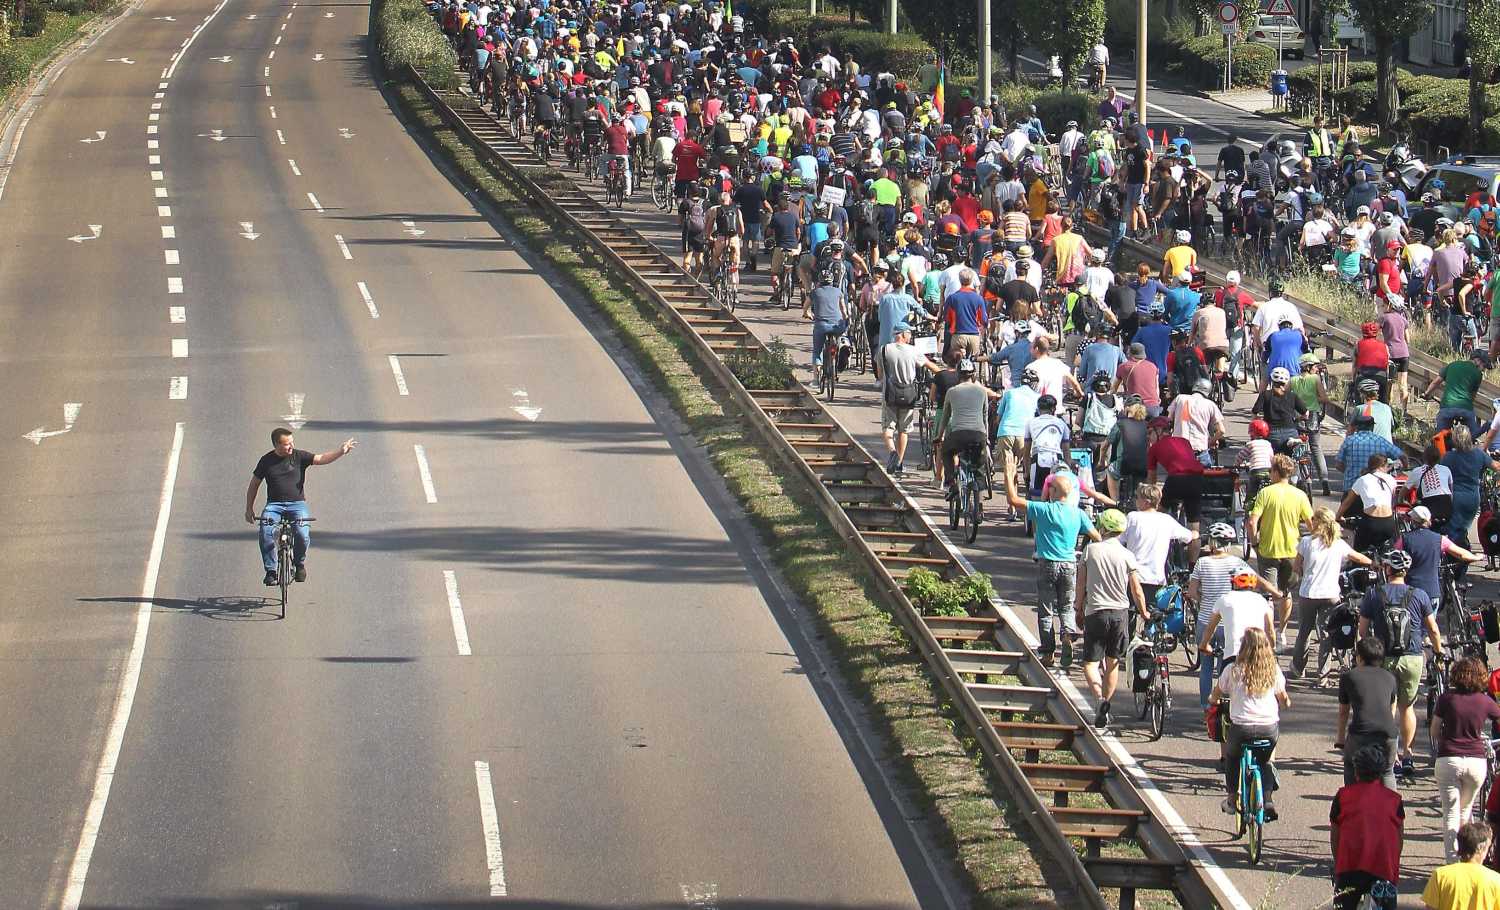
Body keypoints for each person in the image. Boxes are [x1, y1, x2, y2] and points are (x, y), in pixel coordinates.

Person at [1359, 548, 1444, 778]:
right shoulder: (1419, 594)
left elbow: (1363, 630)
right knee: (1407, 707)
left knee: (1388, 708)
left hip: (1383, 657)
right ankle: (1408, 754)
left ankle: (1391, 756)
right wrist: (1438, 652)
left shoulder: (1375, 594)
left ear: (1387, 569)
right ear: (1407, 571)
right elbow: (1433, 629)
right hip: (1412, 656)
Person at [1006, 472, 1101, 668]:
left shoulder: (1045, 510)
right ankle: (1067, 633)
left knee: (1046, 609)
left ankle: (1048, 653)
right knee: (1066, 606)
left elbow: (1014, 501)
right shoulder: (1078, 513)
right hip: (1069, 564)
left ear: (1055, 491)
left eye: (1050, 488)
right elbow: (1097, 537)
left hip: (1047, 563)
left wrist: (1008, 475)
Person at [245, 429, 357, 585]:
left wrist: (341, 451)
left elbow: (322, 458)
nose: (292, 446)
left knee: (302, 533)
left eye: (292, 442)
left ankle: (299, 564)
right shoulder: (266, 461)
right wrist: (249, 508)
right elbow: (254, 484)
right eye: (287, 444)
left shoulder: (299, 456)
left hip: (297, 505)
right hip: (274, 506)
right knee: (265, 531)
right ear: (277, 445)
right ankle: (271, 571)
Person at [1074, 508, 1149, 729]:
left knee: (1089, 663)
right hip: (1120, 614)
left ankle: (1098, 699)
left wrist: (1078, 608)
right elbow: (1136, 589)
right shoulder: (1127, 555)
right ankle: (1106, 703)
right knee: (1112, 662)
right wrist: (1143, 611)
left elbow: (1080, 583)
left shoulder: (1091, 551)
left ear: (1103, 528)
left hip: (1095, 612)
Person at [1210, 625, 1288, 819]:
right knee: (1266, 761)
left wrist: (1214, 700)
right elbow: (1284, 698)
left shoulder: (1233, 670)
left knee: (1232, 758)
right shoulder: (1273, 671)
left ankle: (1231, 799)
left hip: (1242, 728)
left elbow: (1216, 694)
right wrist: (1285, 702)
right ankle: (1267, 799)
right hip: (1268, 728)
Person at [1431, 658, 1500, 862]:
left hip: (1448, 760)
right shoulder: (1485, 701)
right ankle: (1468, 857)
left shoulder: (1446, 699)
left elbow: (1435, 730)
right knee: (1466, 809)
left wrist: (1446, 741)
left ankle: (1452, 860)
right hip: (1475, 762)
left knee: (1450, 812)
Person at [1293, 508, 1374, 679]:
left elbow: (1296, 566)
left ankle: (1298, 668)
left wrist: (1304, 574)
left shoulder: (1306, 542)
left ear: (1319, 522)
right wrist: (1374, 564)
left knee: (1304, 632)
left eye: (1313, 518)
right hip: (1330, 594)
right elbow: (1358, 558)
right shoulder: (1338, 544)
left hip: (1308, 593)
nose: (1311, 521)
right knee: (1327, 634)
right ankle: (1323, 674)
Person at [1187, 523, 1260, 706]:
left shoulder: (1202, 563)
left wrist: (1203, 598)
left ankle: (1206, 707)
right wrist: (1275, 592)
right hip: (1228, 623)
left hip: (1206, 622)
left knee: (1205, 669)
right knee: (1224, 667)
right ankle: (1222, 707)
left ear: (1211, 543)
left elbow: (1192, 593)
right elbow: (1256, 581)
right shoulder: (1237, 563)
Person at [1330, 742, 1405, 910]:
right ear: (1380, 773)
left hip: (1350, 866)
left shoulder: (1342, 796)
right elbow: (1399, 838)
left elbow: (1335, 835)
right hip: (1383, 868)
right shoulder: (1394, 800)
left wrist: (1338, 865)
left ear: (1356, 772)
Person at [1248, 454, 1311, 645]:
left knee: (1268, 594)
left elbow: (1252, 521)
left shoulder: (1266, 493)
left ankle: (1268, 635)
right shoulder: (1299, 495)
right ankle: (1282, 632)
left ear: (1275, 471)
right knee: (1286, 593)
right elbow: (1311, 524)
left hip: (1268, 550)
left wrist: (1254, 542)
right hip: (1292, 551)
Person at [1336, 637, 1399, 790]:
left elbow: (1343, 712)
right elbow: (1392, 708)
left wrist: (1340, 739)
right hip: (1388, 734)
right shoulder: (1390, 678)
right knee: (1387, 772)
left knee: (1351, 765)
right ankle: (1394, 809)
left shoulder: (1349, 677)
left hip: (1361, 732)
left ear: (1359, 657)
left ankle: (1351, 802)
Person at [1120, 482, 1195, 609]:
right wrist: (1195, 533)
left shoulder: (1132, 517)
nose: (1135, 501)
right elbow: (1187, 537)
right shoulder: (1166, 520)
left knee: (1130, 612)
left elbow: (1120, 540)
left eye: (1137, 498)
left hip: (1133, 576)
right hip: (1156, 577)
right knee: (1154, 616)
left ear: (1145, 501)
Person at [880, 324, 940, 477]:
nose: (910, 336)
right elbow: (930, 366)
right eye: (909, 333)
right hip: (908, 394)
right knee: (904, 430)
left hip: (890, 395)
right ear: (903, 334)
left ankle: (892, 452)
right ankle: (899, 463)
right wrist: (946, 373)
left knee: (888, 427)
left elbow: (880, 373)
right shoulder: (914, 351)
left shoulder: (884, 350)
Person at [936, 360, 1002, 493]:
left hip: (958, 435)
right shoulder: (982, 391)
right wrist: (986, 437)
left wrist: (939, 435)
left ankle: (951, 482)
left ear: (958, 374)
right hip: (978, 434)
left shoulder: (951, 391)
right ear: (973, 375)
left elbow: (945, 417)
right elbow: (984, 417)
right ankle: (978, 486)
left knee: (946, 452)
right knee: (979, 462)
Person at [1441, 424, 1500, 544]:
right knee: (1463, 528)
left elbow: (1439, 474)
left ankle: (1457, 556)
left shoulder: (1448, 457)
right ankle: (1462, 550)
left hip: (1455, 497)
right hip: (1473, 497)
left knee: (1454, 530)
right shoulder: (1479, 454)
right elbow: (1496, 467)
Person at [1423, 821, 1500, 909]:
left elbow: (1430, 908)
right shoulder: (1495, 880)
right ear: (1481, 849)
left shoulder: (1440, 875)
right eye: (1488, 847)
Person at [1336, 452, 1401, 553]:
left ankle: (1358, 566)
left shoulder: (1362, 480)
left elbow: (1347, 502)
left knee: (1360, 552)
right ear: (1382, 466)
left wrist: (1338, 517)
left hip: (1371, 522)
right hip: (1389, 522)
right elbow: (1392, 500)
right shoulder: (1391, 480)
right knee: (1387, 552)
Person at [1423, 349, 1490, 436]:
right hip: (1465, 409)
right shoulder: (1478, 374)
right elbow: (1472, 397)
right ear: (1477, 360)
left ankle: (1442, 446)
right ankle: (1487, 426)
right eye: (1483, 366)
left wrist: (1427, 394)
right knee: (1472, 436)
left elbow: (1436, 382)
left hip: (1447, 407)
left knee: (1440, 437)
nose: (1483, 369)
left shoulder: (1453, 365)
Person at [1336, 413, 1403, 495]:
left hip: (1351, 487)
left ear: (1357, 427)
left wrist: (1349, 473)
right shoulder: (1381, 441)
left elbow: (1338, 465)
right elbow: (1402, 456)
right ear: (1372, 427)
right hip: (1374, 489)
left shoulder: (1349, 441)